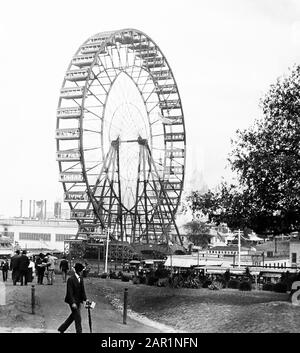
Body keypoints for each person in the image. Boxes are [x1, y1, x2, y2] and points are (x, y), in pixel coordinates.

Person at [58, 263, 88, 333]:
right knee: (78, 317)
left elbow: (82, 290)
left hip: (78, 301)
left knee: (73, 316)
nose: (83, 272)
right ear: (80, 271)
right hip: (72, 301)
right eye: (82, 270)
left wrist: (86, 299)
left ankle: (62, 329)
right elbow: (69, 293)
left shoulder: (81, 278)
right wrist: (73, 303)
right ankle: (79, 332)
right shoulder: (71, 279)